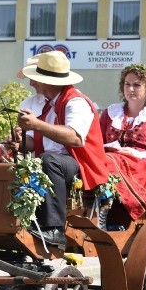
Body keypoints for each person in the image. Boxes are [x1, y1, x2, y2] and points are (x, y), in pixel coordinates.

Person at [13, 51, 109, 248]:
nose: (32, 84)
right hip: (55, 163)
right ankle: (20, 221)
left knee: (49, 160)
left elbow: (75, 138)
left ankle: (55, 229)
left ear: (49, 82)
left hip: (82, 165)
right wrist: (20, 139)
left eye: (36, 79)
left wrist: (36, 125)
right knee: (20, 165)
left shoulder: (76, 102)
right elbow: (36, 144)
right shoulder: (51, 103)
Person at [100, 63, 146, 220]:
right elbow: (96, 141)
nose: (130, 89)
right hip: (111, 161)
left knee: (111, 161)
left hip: (144, 168)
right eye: (127, 84)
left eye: (136, 85)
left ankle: (110, 213)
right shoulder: (110, 113)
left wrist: (134, 153)